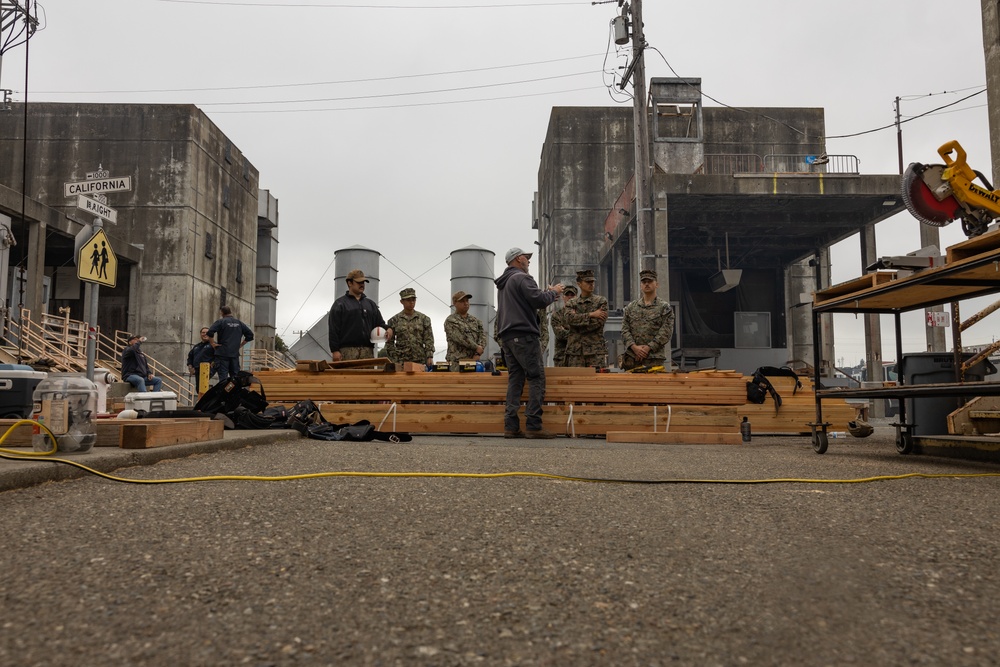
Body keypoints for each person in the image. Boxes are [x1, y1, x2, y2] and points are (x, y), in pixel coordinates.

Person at [495, 247, 563, 439]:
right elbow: (538, 300)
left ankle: (511, 426)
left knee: (515, 380)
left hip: (508, 337)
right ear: (518, 259)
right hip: (524, 335)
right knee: (536, 378)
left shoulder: (505, 283)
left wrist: (546, 293)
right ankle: (533, 425)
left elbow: (527, 300)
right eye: (527, 257)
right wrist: (554, 292)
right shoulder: (522, 278)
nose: (529, 260)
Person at [328, 269, 392, 362]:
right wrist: (335, 351)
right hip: (346, 352)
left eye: (363, 282)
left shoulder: (371, 305)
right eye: (359, 282)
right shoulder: (340, 304)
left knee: (367, 377)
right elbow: (333, 330)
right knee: (347, 377)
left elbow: (379, 323)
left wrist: (388, 329)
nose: (362, 285)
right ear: (349, 283)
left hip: (367, 352)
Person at [620, 269, 675, 370]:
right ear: (640, 285)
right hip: (633, 358)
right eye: (644, 282)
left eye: (650, 281)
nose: (646, 284)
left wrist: (648, 348)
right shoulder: (631, 307)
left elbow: (666, 332)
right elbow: (624, 330)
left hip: (654, 358)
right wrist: (634, 347)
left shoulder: (664, 307)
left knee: (654, 385)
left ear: (656, 284)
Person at [564, 269, 609, 368]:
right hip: (575, 352)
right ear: (579, 284)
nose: (591, 284)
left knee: (596, 381)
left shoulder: (601, 301)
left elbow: (598, 323)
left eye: (592, 282)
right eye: (588, 282)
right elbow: (569, 319)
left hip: (595, 352)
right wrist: (591, 314)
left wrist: (577, 324)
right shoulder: (571, 303)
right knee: (575, 381)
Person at [385, 287, 435, 367]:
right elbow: (389, 343)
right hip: (401, 361)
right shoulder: (394, 320)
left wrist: (429, 356)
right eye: (408, 300)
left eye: (413, 300)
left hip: (420, 360)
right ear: (401, 302)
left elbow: (429, 339)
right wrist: (394, 358)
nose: (411, 302)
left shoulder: (424, 319)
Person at [207, 305, 254, 382]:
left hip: (222, 353)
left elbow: (210, 332)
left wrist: (213, 344)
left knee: (223, 379)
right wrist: (240, 345)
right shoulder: (239, 323)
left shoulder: (221, 322)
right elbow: (250, 335)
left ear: (222, 313)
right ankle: (234, 393)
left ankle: (224, 393)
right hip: (234, 354)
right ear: (230, 312)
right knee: (235, 378)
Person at [444, 290, 486, 371]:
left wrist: (478, 353)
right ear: (455, 303)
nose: (466, 303)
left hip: (474, 360)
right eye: (462, 301)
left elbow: (483, 336)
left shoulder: (476, 321)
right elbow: (459, 338)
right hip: (457, 363)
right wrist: (477, 347)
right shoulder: (450, 321)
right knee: (457, 383)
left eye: (467, 301)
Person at [549, 284, 577, 367]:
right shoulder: (557, 315)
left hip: (578, 357)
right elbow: (560, 334)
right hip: (562, 357)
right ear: (563, 297)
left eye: (572, 295)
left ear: (576, 297)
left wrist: (566, 330)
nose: (570, 297)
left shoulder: (582, 314)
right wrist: (577, 333)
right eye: (567, 295)